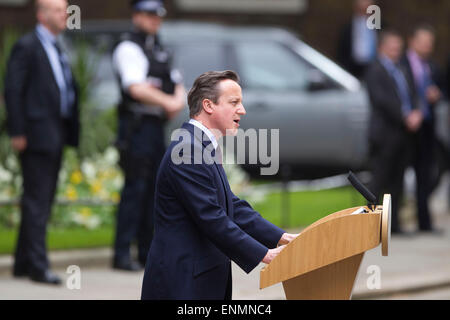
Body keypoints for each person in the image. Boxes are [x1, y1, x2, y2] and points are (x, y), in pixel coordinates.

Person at [141, 70, 298, 300]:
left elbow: (230, 205)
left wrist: (281, 237)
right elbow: (212, 217)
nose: (242, 110)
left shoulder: (200, 145)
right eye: (234, 102)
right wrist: (265, 254)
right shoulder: (188, 150)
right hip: (182, 283)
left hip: (199, 278)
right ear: (208, 105)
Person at [4, 0, 79, 284]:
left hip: (55, 133)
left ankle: (23, 262)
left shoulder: (57, 46)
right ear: (42, 14)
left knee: (41, 199)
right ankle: (38, 265)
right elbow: (13, 89)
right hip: (35, 136)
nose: (66, 15)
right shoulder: (27, 46)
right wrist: (18, 131)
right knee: (37, 201)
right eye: (60, 11)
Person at [111, 0, 186, 271]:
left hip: (156, 127)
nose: (155, 20)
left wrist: (175, 101)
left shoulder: (161, 49)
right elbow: (135, 87)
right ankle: (121, 254)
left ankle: (146, 252)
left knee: (155, 189)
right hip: (136, 127)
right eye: (149, 15)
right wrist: (168, 102)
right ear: (136, 16)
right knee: (135, 188)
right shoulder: (129, 47)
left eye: (158, 15)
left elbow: (177, 83)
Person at [365, 30, 420, 234]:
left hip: (404, 135)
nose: (397, 50)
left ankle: (393, 225)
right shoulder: (375, 70)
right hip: (384, 134)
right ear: (382, 47)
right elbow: (381, 100)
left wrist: (416, 112)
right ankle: (370, 226)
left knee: (397, 183)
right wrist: (404, 116)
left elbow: (412, 95)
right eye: (392, 46)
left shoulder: (402, 69)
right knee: (379, 182)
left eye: (399, 46)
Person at [400, 25, 443, 233]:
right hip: (405, 128)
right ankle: (394, 223)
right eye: (423, 42)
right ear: (412, 41)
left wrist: (437, 94)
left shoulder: (432, 67)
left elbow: (441, 88)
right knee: (397, 175)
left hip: (426, 127)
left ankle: (424, 222)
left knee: (426, 173)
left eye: (430, 43)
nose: (427, 47)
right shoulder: (400, 65)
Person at [337, 0, 378, 79]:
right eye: (362, 8)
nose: (365, 11)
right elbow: (341, 52)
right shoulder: (347, 28)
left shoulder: (380, 25)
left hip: (375, 68)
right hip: (353, 69)